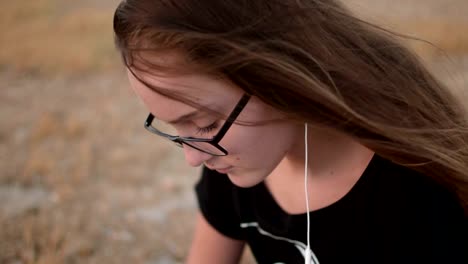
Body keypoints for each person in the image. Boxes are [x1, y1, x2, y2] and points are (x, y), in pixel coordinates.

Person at [113, 0, 468, 263]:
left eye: (206, 123)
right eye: (176, 129)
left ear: (279, 75)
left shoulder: (416, 194)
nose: (193, 157)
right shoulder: (235, 161)